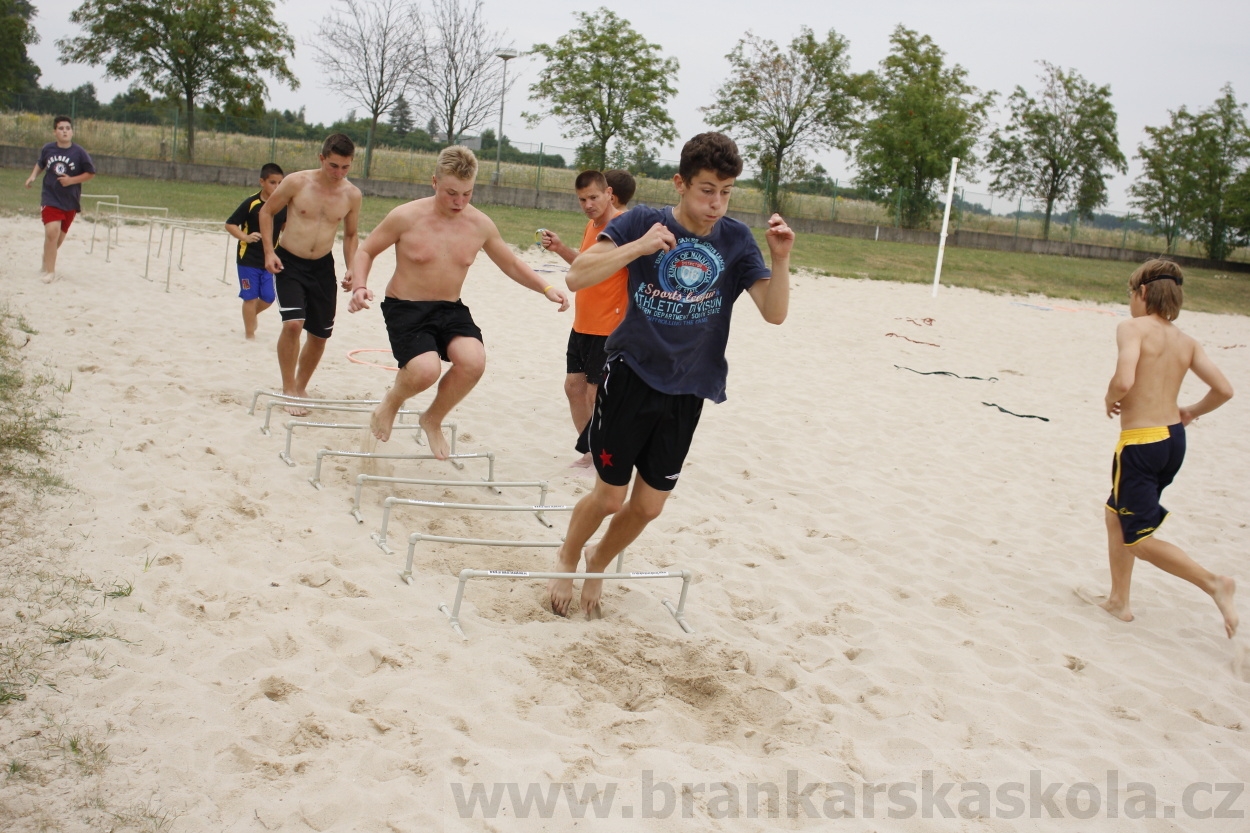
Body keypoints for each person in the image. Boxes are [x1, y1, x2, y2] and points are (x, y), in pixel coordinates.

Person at [547, 132, 794, 618]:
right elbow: (578, 277)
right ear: (680, 183)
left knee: (649, 507)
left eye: (726, 192)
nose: (716, 203)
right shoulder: (644, 221)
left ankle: (599, 561)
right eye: (706, 190)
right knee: (610, 496)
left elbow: (775, 312)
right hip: (633, 374)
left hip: (691, 385)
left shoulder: (736, 239)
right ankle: (569, 555)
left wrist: (781, 258)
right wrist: (638, 247)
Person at [347, 146, 569, 459]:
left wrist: (545, 287)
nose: (459, 202)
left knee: (474, 362)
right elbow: (366, 250)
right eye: (452, 193)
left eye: (467, 194)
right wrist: (359, 285)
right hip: (407, 307)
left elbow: (511, 263)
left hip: (450, 308)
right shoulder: (406, 216)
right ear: (434, 181)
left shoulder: (479, 223)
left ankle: (432, 419)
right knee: (426, 370)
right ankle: (391, 402)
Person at [1086, 259, 1237, 638]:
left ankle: (1214, 584)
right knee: (1115, 514)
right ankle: (1119, 601)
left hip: (1141, 442)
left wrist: (1109, 397)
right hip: (1173, 439)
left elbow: (1124, 379)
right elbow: (1224, 390)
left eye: (1130, 294)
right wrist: (1190, 411)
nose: (1129, 303)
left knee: (1137, 536)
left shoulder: (1132, 328)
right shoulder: (1186, 341)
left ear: (1142, 293)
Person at [259, 134, 362, 415]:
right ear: (321, 158)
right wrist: (269, 252)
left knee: (320, 335)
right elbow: (267, 213)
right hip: (290, 262)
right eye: (333, 165)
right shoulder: (297, 182)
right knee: (293, 324)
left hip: (322, 267)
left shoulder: (351, 195)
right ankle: (288, 387)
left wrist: (352, 267)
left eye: (345, 167)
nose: (338, 173)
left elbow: (351, 235)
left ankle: (301, 386)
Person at [539, 170, 629, 466]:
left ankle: (605, 459)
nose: (588, 204)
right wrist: (560, 248)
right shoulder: (592, 225)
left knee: (595, 395)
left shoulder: (624, 227)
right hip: (583, 324)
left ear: (609, 194)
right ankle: (593, 451)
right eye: (582, 199)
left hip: (609, 328)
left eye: (593, 197)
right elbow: (585, 266)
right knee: (573, 388)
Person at [24, 115, 96, 282]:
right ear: (54, 132)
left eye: (68, 128)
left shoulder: (79, 152)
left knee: (58, 238)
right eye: (61, 128)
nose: (65, 131)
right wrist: (32, 177)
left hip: (70, 200)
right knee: (52, 232)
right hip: (50, 197)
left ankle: (46, 259)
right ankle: (50, 272)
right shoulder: (48, 149)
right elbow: (40, 163)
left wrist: (71, 180)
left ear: (72, 132)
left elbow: (90, 173)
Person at [225, 163, 287, 339]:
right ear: (262, 182)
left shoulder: (283, 204)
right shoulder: (251, 203)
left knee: (268, 297)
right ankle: (249, 334)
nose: (276, 187)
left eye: (280, 183)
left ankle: (251, 316)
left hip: (270, 259)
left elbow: (285, 225)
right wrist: (244, 237)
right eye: (272, 182)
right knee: (250, 297)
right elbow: (230, 224)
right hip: (248, 259)